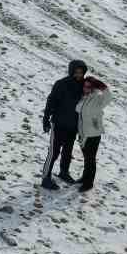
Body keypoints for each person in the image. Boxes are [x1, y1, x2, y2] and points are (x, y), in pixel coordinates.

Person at [40, 59, 87, 189]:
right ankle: (45, 178)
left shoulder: (84, 86)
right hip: (59, 124)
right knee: (54, 152)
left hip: (73, 125)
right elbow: (51, 101)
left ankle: (64, 173)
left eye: (81, 72)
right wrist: (46, 119)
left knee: (67, 151)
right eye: (76, 72)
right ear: (71, 71)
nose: (78, 75)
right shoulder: (61, 84)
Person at [75, 76, 110, 191]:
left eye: (89, 86)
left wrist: (103, 87)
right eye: (84, 86)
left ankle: (88, 183)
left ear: (93, 87)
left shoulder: (98, 98)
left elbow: (108, 97)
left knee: (91, 159)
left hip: (93, 134)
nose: (86, 88)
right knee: (86, 158)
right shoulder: (81, 97)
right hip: (82, 133)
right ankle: (85, 178)